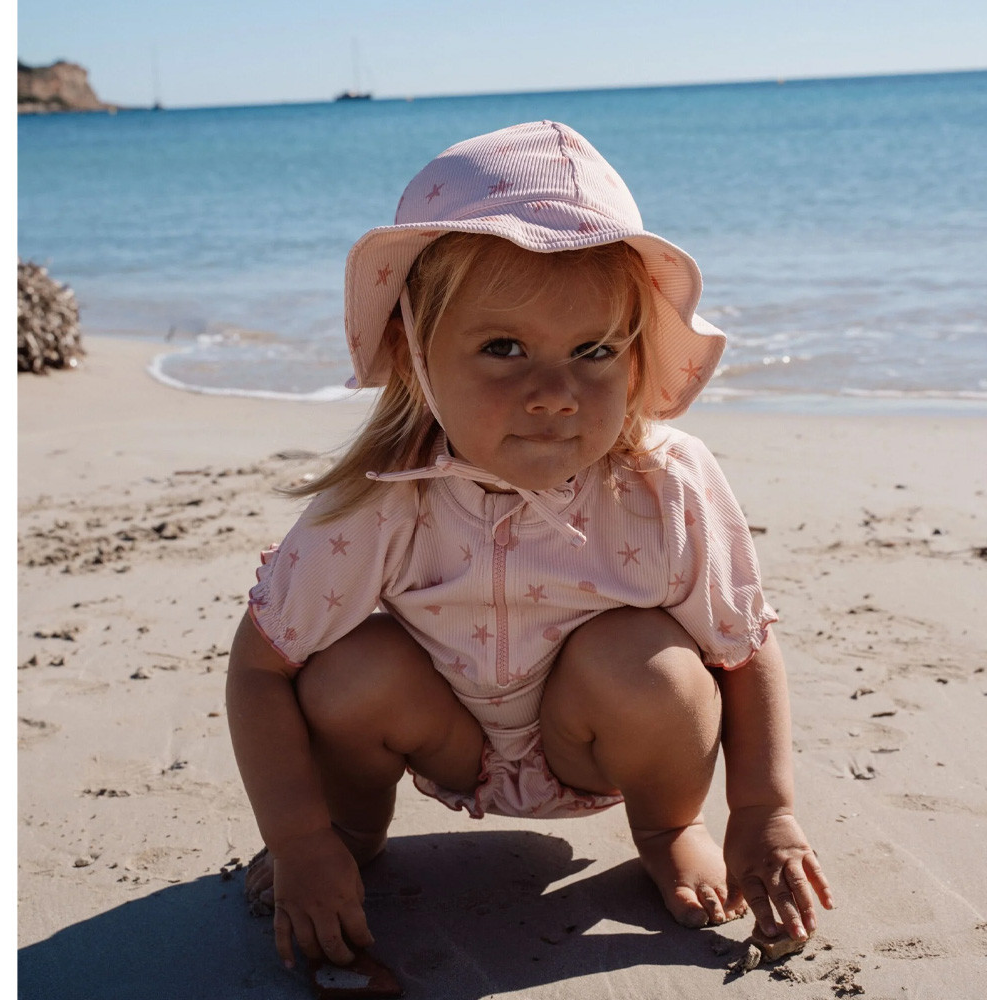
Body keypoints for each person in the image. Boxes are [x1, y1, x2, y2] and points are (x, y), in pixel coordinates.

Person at [227, 120, 833, 972]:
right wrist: (296, 836)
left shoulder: (665, 484)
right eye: (503, 348)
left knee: (651, 659)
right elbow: (261, 666)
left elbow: (744, 648)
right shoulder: (380, 500)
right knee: (342, 668)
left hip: (594, 744)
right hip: (446, 736)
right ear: (414, 351)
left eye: (593, 351)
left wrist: (765, 812)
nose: (554, 393)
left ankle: (666, 828)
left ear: (635, 357)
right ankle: (350, 835)